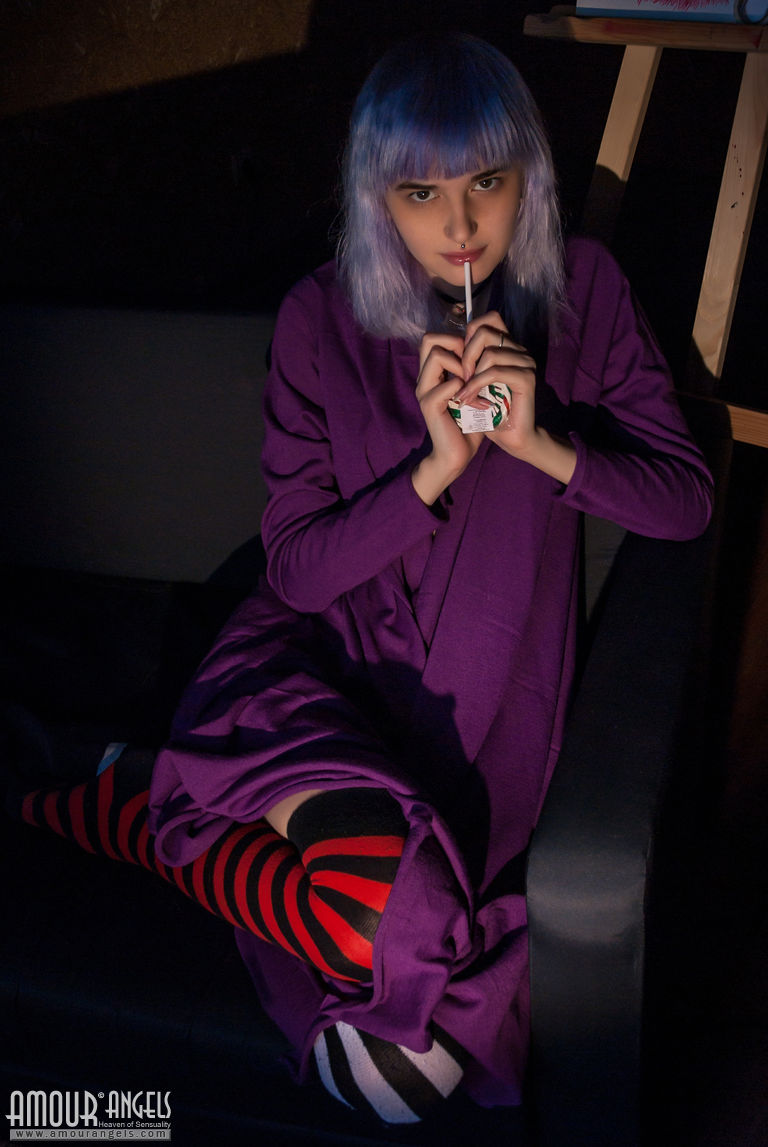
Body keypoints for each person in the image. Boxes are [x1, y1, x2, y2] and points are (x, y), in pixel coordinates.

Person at [11, 32, 713, 1127]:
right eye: (421, 192)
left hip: (486, 730)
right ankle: (119, 803)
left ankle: (156, 800)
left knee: (403, 1076)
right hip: (316, 678)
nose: (460, 223)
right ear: (379, 198)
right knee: (378, 928)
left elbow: (687, 500)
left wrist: (541, 445)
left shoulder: (585, 292)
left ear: (526, 177)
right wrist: (433, 468)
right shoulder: (320, 317)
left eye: (485, 182)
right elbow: (297, 571)